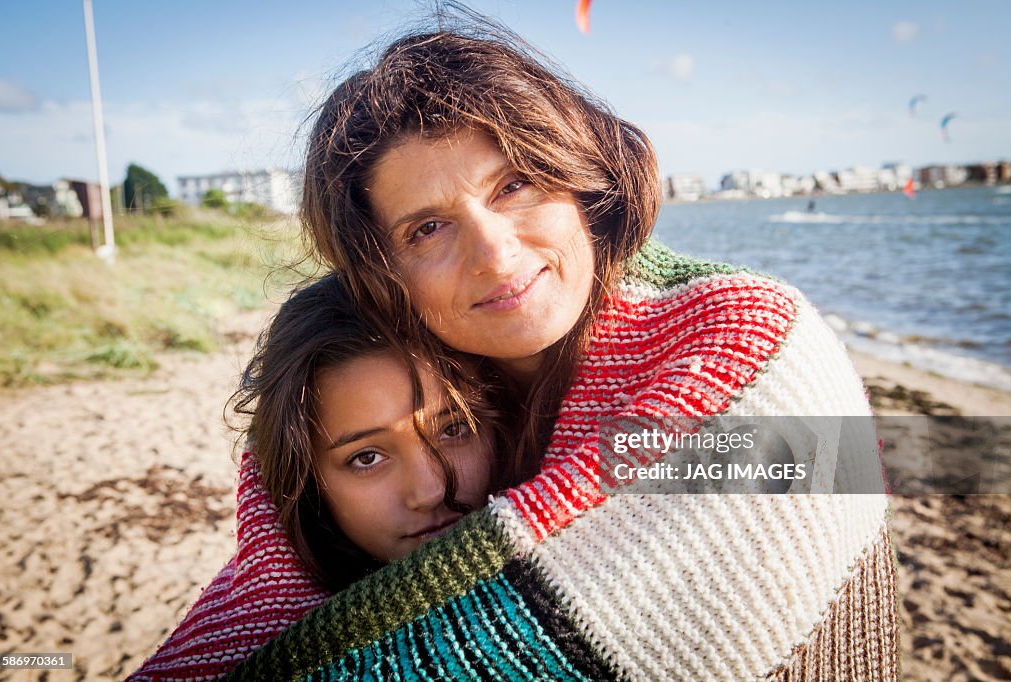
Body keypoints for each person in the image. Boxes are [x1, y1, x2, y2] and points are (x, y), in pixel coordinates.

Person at [133, 15, 897, 682]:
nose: (495, 255)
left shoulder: (746, 341)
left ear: (582, 182)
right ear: (382, 276)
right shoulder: (391, 387)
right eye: (426, 228)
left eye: (515, 185)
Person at [230, 274, 503, 592]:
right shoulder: (256, 637)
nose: (430, 492)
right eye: (367, 458)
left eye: (454, 429)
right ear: (309, 485)